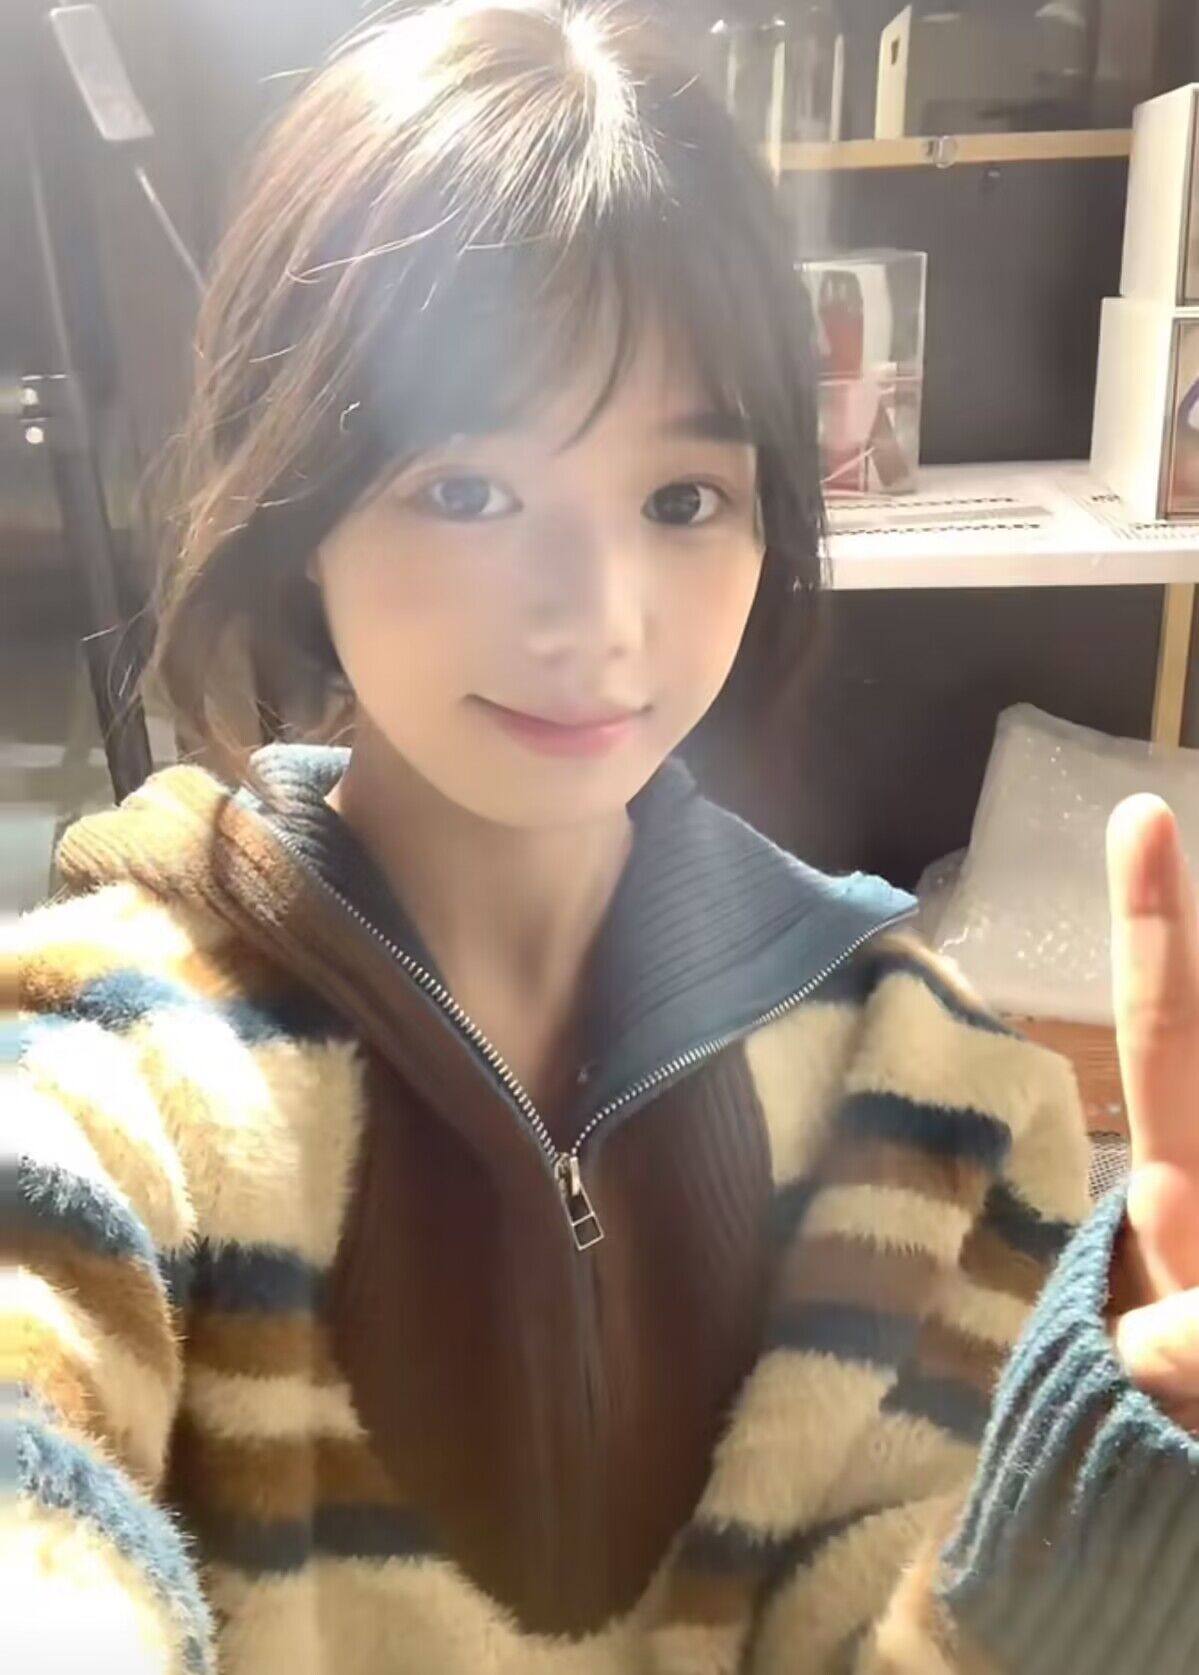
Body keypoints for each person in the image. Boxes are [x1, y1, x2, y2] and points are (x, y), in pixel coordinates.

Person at [6, 4, 1198, 1671]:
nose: (601, 619)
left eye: (681, 499)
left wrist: (1109, 1511)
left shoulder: (938, 1102)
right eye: (470, 492)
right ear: (297, 514)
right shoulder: (104, 1064)